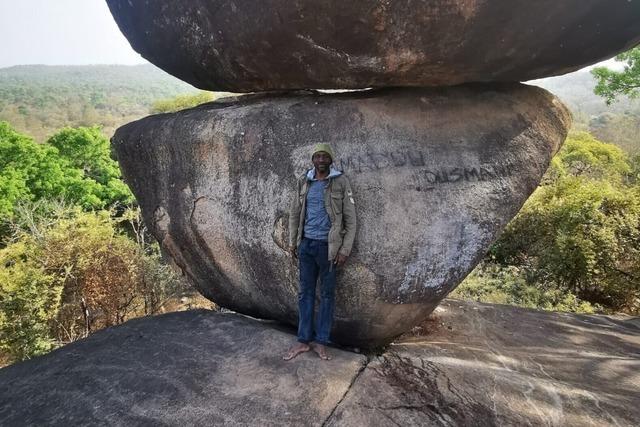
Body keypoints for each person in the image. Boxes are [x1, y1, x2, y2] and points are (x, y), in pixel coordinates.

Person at [283, 143, 356, 361]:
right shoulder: (304, 181)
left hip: (329, 248)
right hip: (306, 246)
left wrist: (345, 249)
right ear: (313, 160)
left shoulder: (340, 182)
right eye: (318, 156)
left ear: (330, 160)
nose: (321, 160)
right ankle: (303, 341)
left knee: (326, 295)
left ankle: (321, 342)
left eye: (325, 157)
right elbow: (294, 214)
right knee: (305, 294)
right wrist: (292, 242)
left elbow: (351, 220)